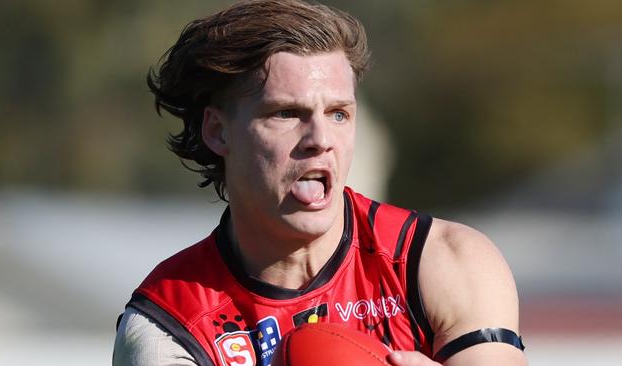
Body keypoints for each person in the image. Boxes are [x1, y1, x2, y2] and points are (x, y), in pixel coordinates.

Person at [113, 1, 527, 365]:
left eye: (338, 114)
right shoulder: (171, 324)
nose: (321, 140)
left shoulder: (443, 263)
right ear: (218, 132)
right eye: (287, 113)